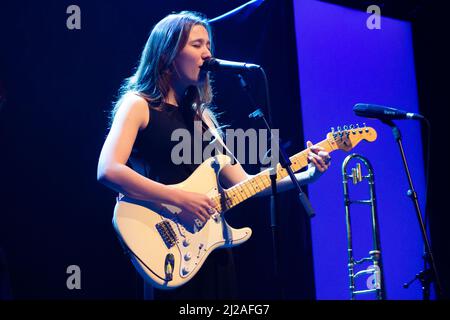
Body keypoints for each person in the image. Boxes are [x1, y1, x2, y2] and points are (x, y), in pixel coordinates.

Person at [97, 10, 331, 300]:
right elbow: (108, 169)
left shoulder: (204, 118)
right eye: (197, 45)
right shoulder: (138, 105)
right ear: (168, 53)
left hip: (211, 247)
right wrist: (180, 198)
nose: (207, 54)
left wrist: (309, 174)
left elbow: (244, 184)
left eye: (208, 45)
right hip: (165, 247)